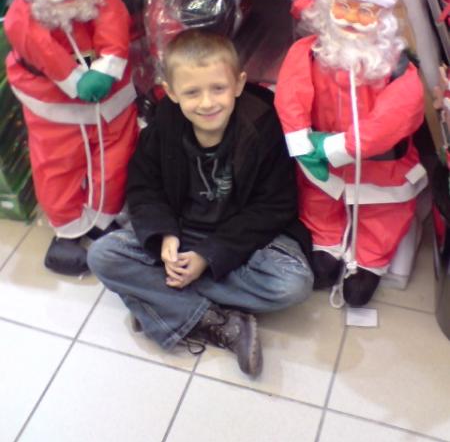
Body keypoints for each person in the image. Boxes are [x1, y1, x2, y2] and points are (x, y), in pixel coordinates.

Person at [87, 28, 313, 377]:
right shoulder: (164, 122)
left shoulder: (262, 126)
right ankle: (218, 320)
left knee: (293, 283)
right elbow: (144, 185)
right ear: (171, 92)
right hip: (182, 229)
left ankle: (159, 300)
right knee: (102, 255)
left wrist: (209, 256)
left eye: (218, 88)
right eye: (192, 92)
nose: (207, 103)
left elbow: (275, 207)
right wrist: (164, 234)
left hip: (243, 239)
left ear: (238, 84)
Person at [274, 0, 428, 307]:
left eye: (365, 11)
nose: (352, 20)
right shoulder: (309, 52)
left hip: (381, 167)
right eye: (343, 7)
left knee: (382, 210)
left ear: (383, 17)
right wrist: (301, 142)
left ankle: (369, 261)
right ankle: (326, 244)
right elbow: (290, 96)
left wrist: (337, 147)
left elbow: (392, 121)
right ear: (330, 7)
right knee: (319, 198)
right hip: (321, 161)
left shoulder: (400, 71)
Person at [4, 0, 138, 276]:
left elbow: (114, 23)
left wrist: (108, 66)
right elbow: (33, 41)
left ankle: (103, 217)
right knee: (58, 165)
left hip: (111, 99)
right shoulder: (27, 5)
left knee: (115, 157)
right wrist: (73, 79)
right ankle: (66, 230)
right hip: (53, 102)